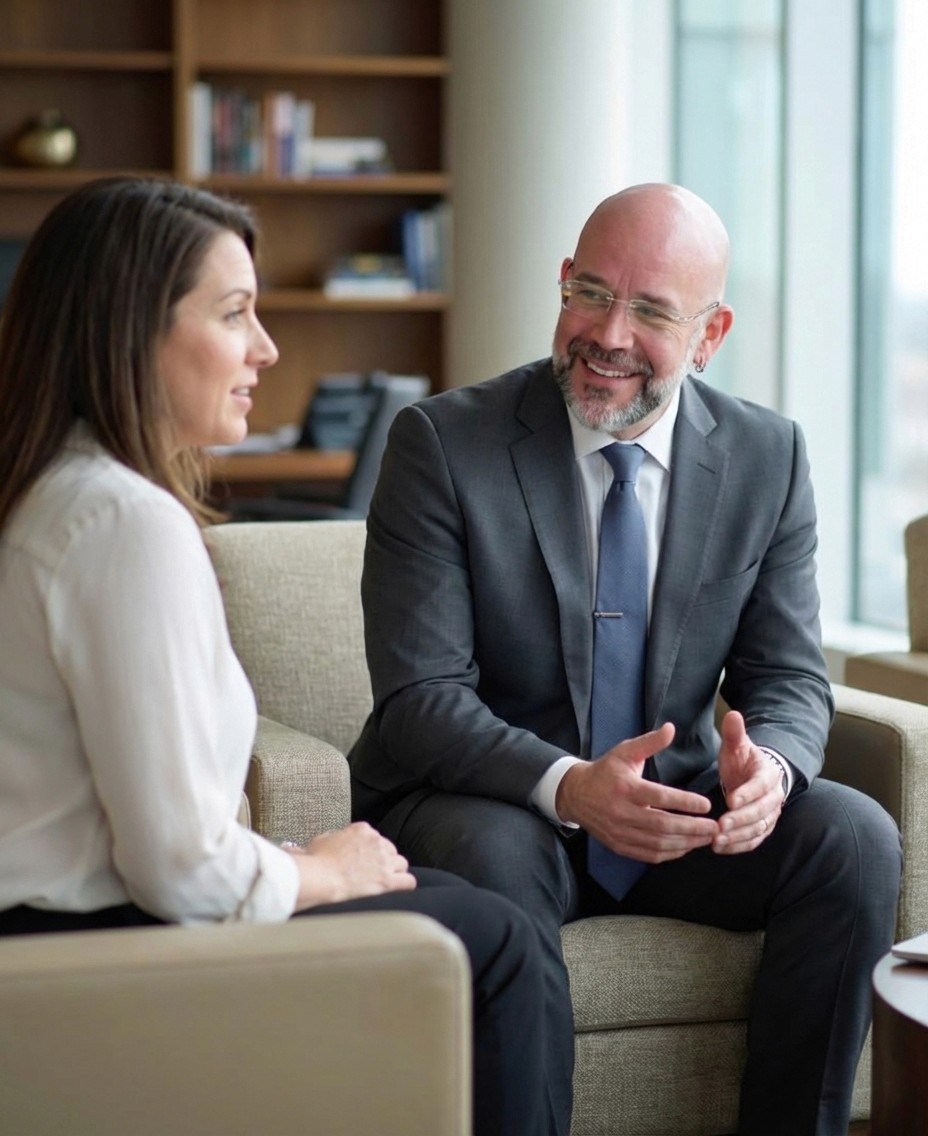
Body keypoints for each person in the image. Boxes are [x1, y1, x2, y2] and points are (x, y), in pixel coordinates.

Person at [0, 175, 554, 1136]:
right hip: (87, 950)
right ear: (131, 330)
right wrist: (324, 872)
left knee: (454, 894)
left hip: (58, 924)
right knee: (493, 939)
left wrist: (287, 860)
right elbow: (179, 872)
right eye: (235, 313)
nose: (267, 348)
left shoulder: (55, 494)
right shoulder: (123, 525)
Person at [348, 182, 904, 1136]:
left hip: (674, 810)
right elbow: (420, 697)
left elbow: (789, 676)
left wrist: (768, 768)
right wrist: (570, 786)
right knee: (493, 855)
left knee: (853, 837)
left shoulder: (769, 456)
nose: (608, 333)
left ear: (711, 333)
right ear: (562, 283)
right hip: (497, 800)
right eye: (591, 293)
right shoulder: (443, 443)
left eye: (650, 311)